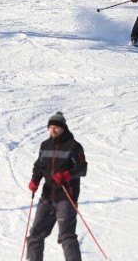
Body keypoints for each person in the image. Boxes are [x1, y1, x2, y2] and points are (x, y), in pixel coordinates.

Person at [26, 111, 88, 261]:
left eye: (56, 127)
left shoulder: (74, 146)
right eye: (50, 127)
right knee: (35, 234)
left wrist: (66, 175)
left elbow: (82, 168)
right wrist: (35, 179)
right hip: (47, 197)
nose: (52, 130)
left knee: (66, 235)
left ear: (63, 128)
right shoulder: (45, 145)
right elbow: (40, 166)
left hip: (66, 197)